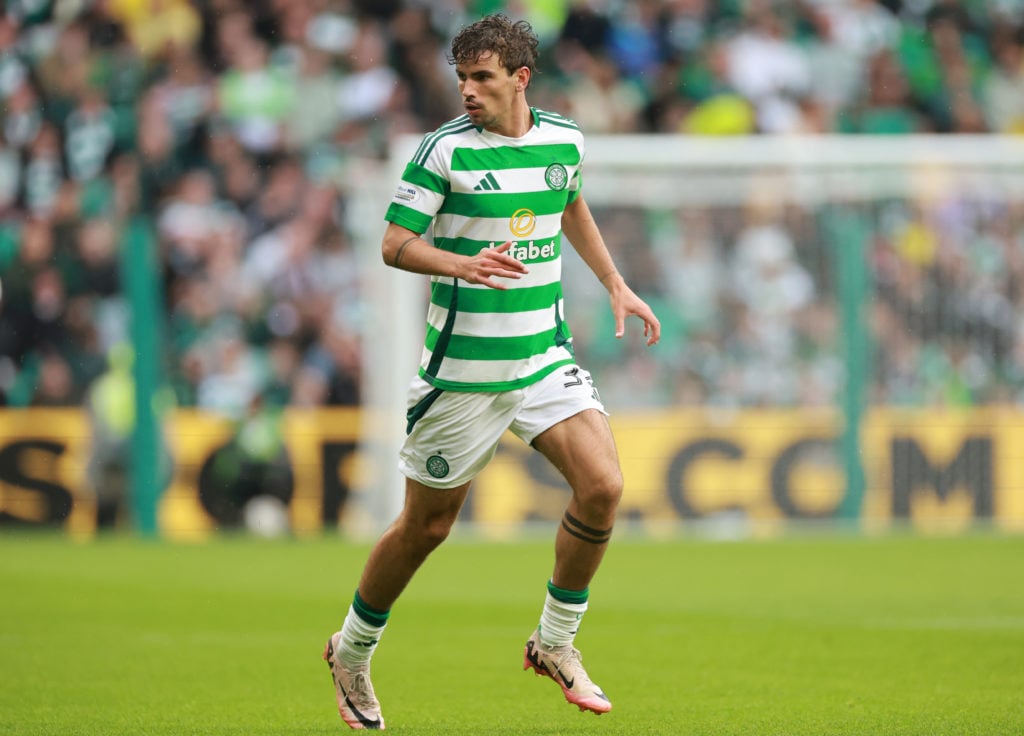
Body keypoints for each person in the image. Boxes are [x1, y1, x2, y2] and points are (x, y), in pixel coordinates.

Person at [322, 13, 661, 730]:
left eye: (481, 78)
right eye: (462, 79)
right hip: (464, 372)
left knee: (603, 486)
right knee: (426, 528)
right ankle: (352, 650)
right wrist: (461, 262)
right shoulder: (441, 152)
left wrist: (614, 282)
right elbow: (394, 244)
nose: (468, 92)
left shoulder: (564, 138)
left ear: (519, 78)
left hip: (542, 353)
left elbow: (569, 203)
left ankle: (555, 643)